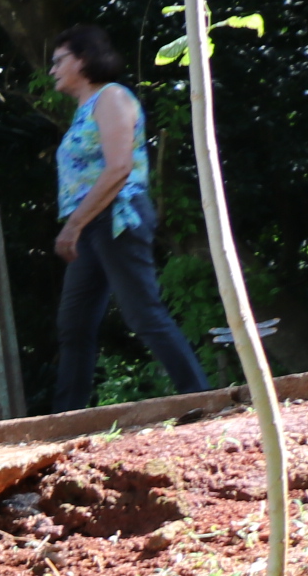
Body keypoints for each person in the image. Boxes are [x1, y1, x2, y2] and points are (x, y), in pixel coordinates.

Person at [49, 24, 210, 413]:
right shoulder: (85, 110)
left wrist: (73, 224)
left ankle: (200, 397)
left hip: (117, 216)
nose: (52, 69)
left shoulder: (112, 97)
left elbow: (119, 167)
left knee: (142, 313)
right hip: (91, 225)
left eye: (58, 61)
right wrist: (78, 224)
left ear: (83, 59)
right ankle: (64, 419)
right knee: (74, 324)